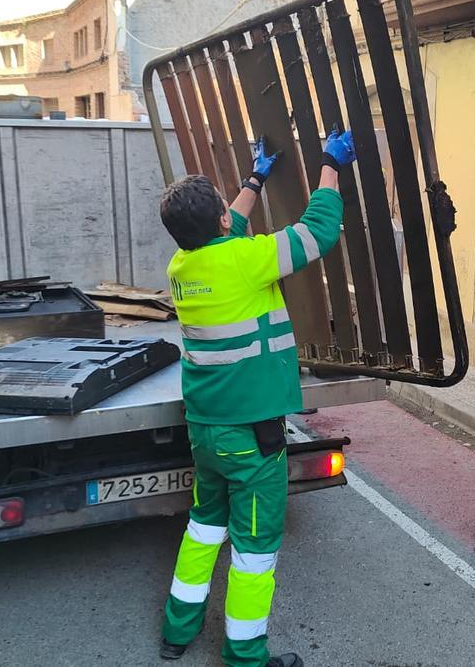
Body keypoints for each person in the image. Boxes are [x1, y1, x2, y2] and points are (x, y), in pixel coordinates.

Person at [157, 127, 357, 667]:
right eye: (227, 208)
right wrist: (330, 164)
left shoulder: (184, 266)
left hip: (206, 428)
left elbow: (230, 230)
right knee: (254, 550)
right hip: (252, 434)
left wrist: (254, 179)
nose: (232, 213)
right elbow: (318, 232)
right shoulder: (246, 261)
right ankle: (245, 655)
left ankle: (178, 631)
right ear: (220, 221)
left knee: (204, 527)